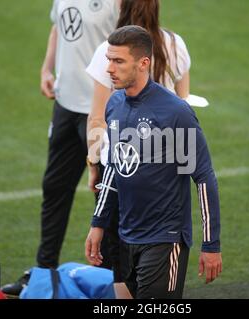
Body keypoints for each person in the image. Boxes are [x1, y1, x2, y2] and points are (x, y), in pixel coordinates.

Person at [85, 25, 222, 299]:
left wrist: (211, 245)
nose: (109, 68)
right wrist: (98, 223)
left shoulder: (174, 112)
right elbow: (114, 168)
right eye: (108, 60)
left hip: (165, 238)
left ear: (143, 63)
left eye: (118, 61)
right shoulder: (115, 105)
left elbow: (204, 177)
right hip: (126, 235)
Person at [0, 0, 120, 297]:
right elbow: (59, 27)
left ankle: (110, 283)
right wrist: (46, 68)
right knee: (54, 187)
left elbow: (128, 49)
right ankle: (43, 274)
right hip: (65, 106)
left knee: (106, 199)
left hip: (100, 110)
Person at [84, 0, 191, 283]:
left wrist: (93, 164)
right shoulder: (175, 44)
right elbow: (184, 107)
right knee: (157, 261)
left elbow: (97, 119)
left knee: (119, 264)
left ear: (122, 6)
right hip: (163, 175)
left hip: (120, 171)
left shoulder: (108, 51)